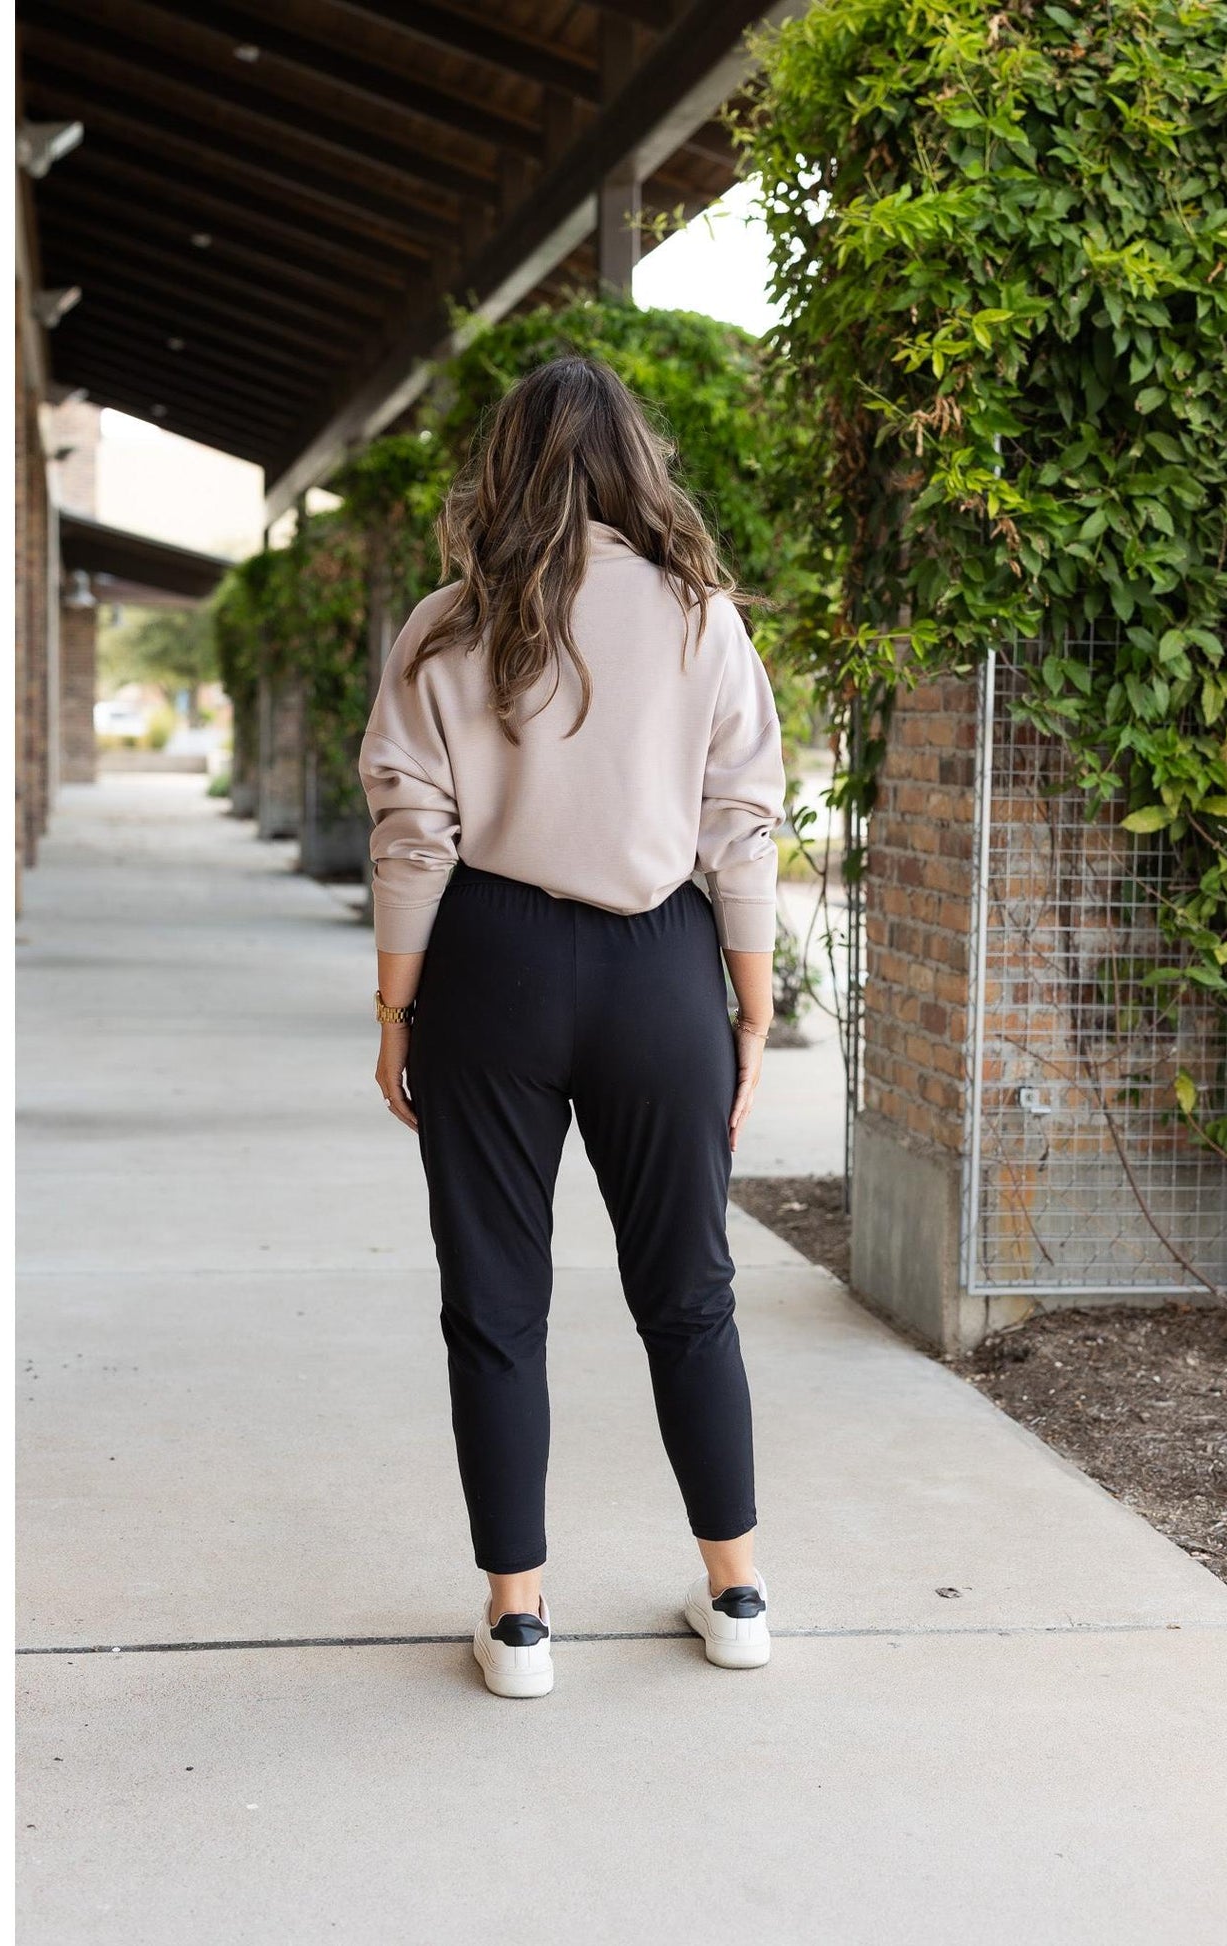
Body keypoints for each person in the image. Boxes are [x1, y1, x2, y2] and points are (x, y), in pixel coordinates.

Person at [357, 355, 786, 1699]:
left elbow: (412, 827)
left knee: (493, 1301)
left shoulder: (446, 625)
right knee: (690, 1291)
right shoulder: (699, 616)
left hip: (490, 964)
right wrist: (752, 997)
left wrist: (396, 1007)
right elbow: (740, 818)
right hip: (663, 967)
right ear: (634, 467)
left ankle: (519, 1620)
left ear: (504, 468)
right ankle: (736, 1592)